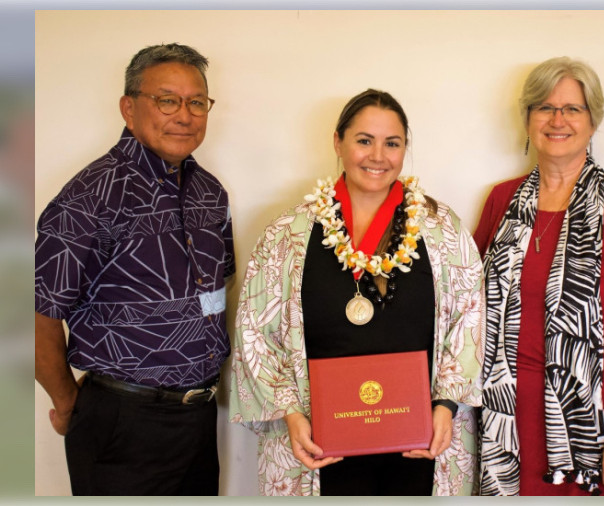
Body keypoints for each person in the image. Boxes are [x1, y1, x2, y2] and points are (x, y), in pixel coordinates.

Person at [229, 89, 484, 496]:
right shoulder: (287, 236)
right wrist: (292, 415)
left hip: (418, 440)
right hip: (320, 443)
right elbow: (255, 332)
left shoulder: (442, 231)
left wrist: (446, 405)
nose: (377, 156)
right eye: (364, 140)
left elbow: (469, 320)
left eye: (392, 143)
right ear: (338, 142)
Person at [34, 43, 232, 495]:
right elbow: (36, 318)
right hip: (122, 423)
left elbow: (217, 288)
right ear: (129, 107)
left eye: (196, 102)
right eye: (167, 100)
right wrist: (67, 405)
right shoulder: (88, 197)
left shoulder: (210, 192)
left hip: (199, 418)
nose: (184, 115)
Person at [475, 57, 604, 496]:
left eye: (573, 109)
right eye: (544, 107)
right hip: (507, 421)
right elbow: (465, 301)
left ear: (592, 121)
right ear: (527, 119)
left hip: (593, 427)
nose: (557, 119)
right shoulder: (501, 202)